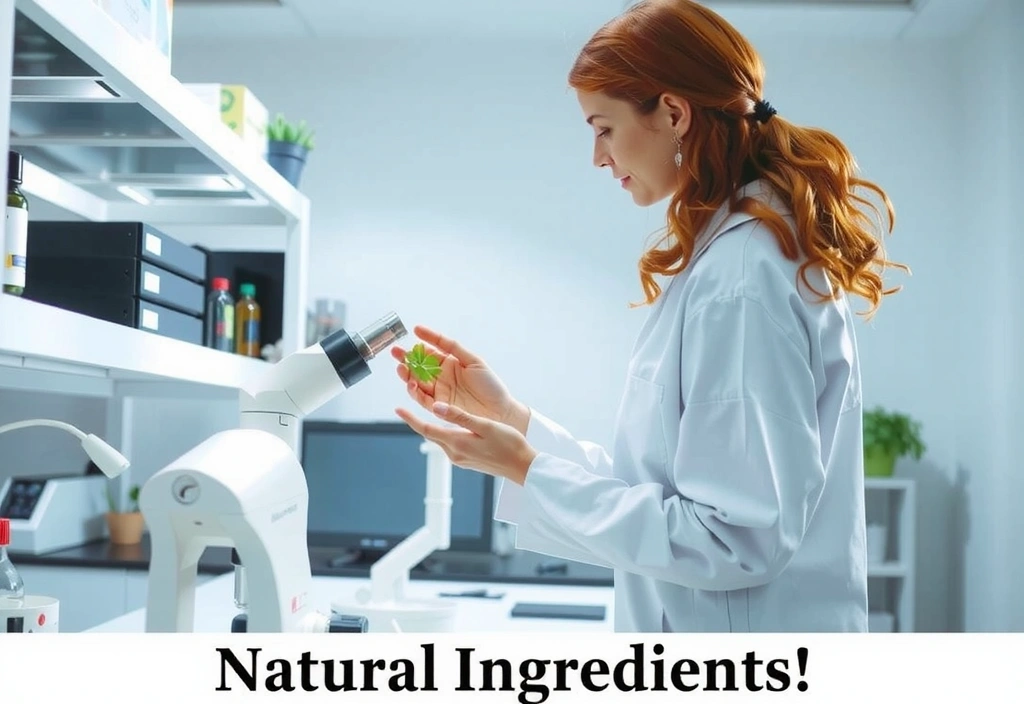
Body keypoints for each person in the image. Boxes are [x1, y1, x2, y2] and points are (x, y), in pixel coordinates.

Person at [392, 0, 909, 633]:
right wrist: (512, 423)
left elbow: (732, 540)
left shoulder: (740, 279)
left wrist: (523, 467)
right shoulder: (736, 255)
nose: (597, 156)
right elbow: (669, 493)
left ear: (673, 113)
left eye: (603, 127)